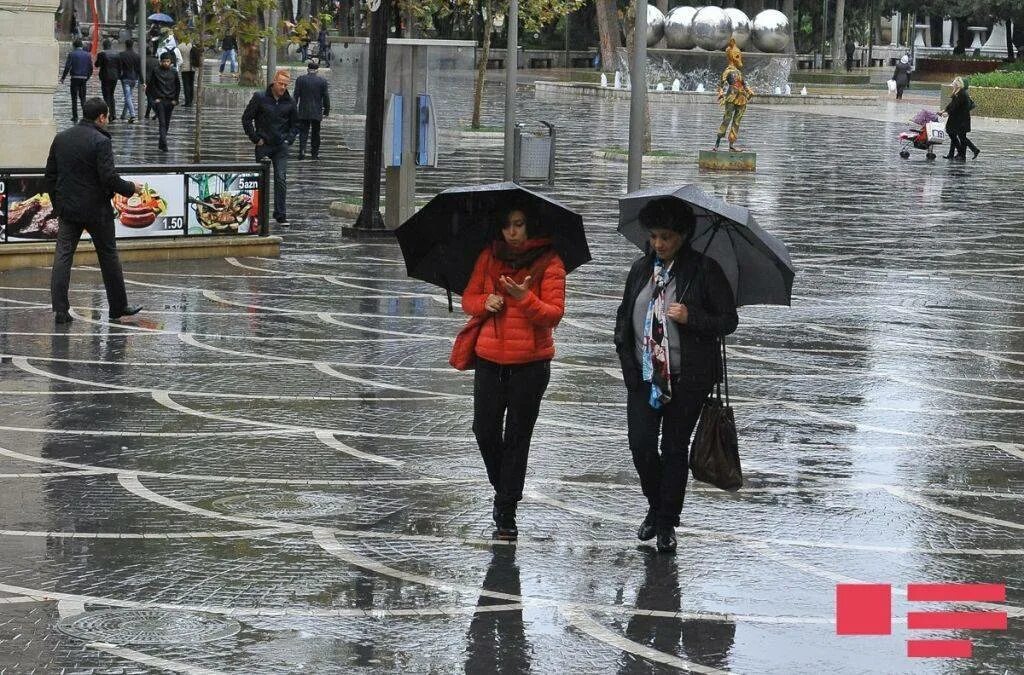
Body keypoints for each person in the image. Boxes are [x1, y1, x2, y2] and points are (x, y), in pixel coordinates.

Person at [614, 198, 738, 553]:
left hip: (688, 379)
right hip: (643, 378)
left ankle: (666, 522)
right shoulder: (640, 270)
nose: (659, 244)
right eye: (653, 236)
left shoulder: (705, 271)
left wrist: (691, 317)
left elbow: (728, 321)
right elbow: (624, 317)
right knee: (640, 445)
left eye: (666, 237)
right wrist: (628, 363)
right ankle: (657, 505)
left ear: (682, 235)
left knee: (673, 448)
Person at [460, 208, 566, 539]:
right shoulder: (489, 256)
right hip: (490, 358)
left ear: (530, 225)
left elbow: (553, 315)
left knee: (517, 438)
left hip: (530, 364)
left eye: (518, 225)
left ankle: (506, 510)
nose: (512, 232)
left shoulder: (550, 261)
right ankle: (506, 488)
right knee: (484, 430)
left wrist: (524, 298)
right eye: (506, 225)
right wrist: (484, 301)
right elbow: (468, 298)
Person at [44, 98, 142, 325]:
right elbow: (108, 177)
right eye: (106, 117)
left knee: (63, 257)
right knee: (108, 256)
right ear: (101, 117)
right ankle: (117, 307)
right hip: (97, 210)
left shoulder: (62, 138)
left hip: (69, 209)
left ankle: (60, 309)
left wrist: (58, 205)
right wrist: (130, 189)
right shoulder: (101, 141)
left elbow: (50, 175)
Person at [242, 69, 299, 225]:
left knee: (281, 179)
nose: (282, 87)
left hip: (281, 146)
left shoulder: (290, 102)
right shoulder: (260, 98)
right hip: (264, 145)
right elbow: (246, 119)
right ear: (274, 81)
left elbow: (296, 124)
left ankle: (280, 214)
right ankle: (258, 214)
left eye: (286, 85)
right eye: (280, 83)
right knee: (260, 180)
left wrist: (289, 140)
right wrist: (255, 138)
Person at [713, 38, 753, 152]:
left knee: (737, 121)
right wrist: (720, 93)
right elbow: (720, 84)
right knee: (727, 119)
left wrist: (749, 91)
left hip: (742, 99)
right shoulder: (727, 71)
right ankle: (717, 143)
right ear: (731, 56)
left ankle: (731, 145)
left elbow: (744, 84)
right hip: (731, 97)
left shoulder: (739, 72)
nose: (739, 59)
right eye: (737, 56)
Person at [293, 59, 331, 160]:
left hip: (303, 110)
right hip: (316, 111)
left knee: (303, 132)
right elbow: (326, 97)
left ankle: (302, 150)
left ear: (307, 69)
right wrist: (326, 110)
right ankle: (314, 153)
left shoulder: (300, 80)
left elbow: (296, 96)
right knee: (316, 133)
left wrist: (293, 109)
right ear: (317, 70)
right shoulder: (322, 81)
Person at [146, 51, 181, 152]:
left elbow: (177, 86)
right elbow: (151, 87)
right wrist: (153, 100)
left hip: (170, 101)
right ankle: (164, 144)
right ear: (161, 62)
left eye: (168, 61)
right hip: (160, 101)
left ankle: (161, 143)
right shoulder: (156, 71)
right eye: (164, 61)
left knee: (167, 122)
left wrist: (176, 100)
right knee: (162, 122)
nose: (166, 63)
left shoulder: (174, 72)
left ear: (171, 62)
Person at [941, 76, 980, 160]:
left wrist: (947, 113)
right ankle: (956, 154)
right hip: (956, 118)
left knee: (959, 136)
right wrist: (945, 110)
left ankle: (967, 152)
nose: (952, 85)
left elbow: (956, 105)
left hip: (961, 119)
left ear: (958, 85)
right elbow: (952, 104)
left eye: (954, 84)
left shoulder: (962, 93)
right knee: (954, 134)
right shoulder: (957, 92)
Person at [60, 39, 92, 122]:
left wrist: (63, 77)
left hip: (74, 78)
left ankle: (75, 117)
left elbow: (67, 67)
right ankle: (86, 117)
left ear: (74, 46)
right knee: (83, 98)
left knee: (74, 98)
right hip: (83, 79)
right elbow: (90, 68)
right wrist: (87, 77)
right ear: (81, 46)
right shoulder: (87, 55)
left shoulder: (72, 54)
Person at [95, 39, 121, 123]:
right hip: (114, 77)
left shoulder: (102, 54)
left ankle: (108, 114)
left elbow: (97, 64)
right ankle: (113, 114)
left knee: (106, 95)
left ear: (104, 45)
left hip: (105, 76)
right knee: (111, 95)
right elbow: (120, 66)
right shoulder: (117, 54)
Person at [118, 39, 141, 123]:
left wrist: (119, 76)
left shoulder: (121, 55)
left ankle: (132, 115)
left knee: (128, 97)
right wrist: (142, 80)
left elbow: (120, 67)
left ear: (125, 45)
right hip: (134, 78)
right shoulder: (137, 56)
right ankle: (123, 115)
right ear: (133, 45)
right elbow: (139, 69)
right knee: (128, 96)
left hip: (125, 78)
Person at [179, 38, 195, 106]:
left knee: (186, 86)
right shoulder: (192, 45)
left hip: (184, 68)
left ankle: (187, 101)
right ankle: (191, 101)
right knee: (191, 85)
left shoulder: (180, 47)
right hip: (192, 67)